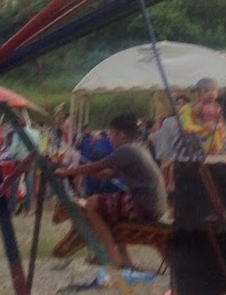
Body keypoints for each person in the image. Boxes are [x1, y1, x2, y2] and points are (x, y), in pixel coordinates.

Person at [55, 114, 167, 272]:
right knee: (110, 209)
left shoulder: (127, 150)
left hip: (144, 204)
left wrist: (66, 172)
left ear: (121, 134)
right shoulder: (139, 149)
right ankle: (124, 258)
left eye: (112, 134)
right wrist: (85, 172)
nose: (110, 139)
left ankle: (111, 256)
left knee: (92, 204)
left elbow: (99, 166)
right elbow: (108, 174)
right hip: (155, 204)